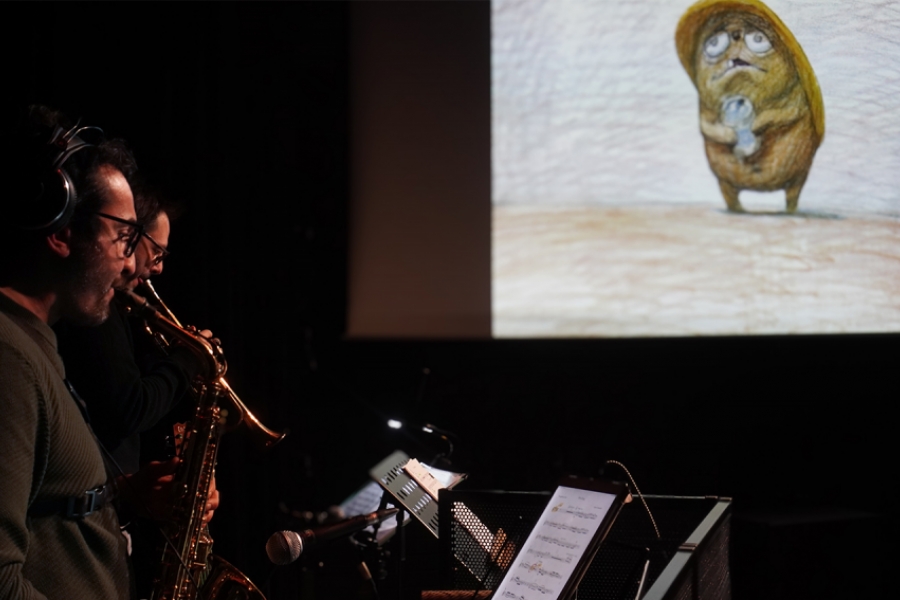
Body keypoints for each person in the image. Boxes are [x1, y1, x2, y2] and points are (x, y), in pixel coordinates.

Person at [0, 105, 141, 599]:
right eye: (123, 238)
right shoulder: (8, 358)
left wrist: (128, 497)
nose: (130, 265)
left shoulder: (32, 343)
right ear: (60, 232)